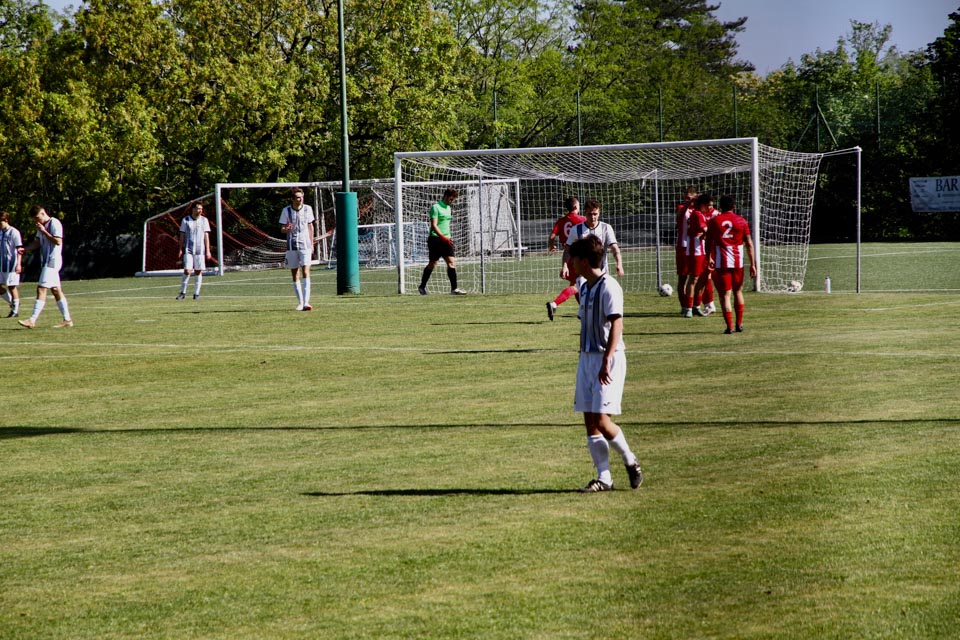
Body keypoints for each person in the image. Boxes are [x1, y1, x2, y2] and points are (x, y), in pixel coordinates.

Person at [568, 234, 642, 492]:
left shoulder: (609, 286)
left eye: (574, 259)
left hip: (607, 358)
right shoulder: (584, 287)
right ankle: (604, 478)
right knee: (590, 421)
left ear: (584, 261)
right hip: (587, 359)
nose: (571, 263)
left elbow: (617, 326)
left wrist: (606, 360)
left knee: (601, 420)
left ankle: (630, 460)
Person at [706, 194, 757, 334]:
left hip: (721, 263)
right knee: (738, 291)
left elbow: (708, 242)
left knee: (725, 295)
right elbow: (749, 243)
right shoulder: (741, 221)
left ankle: (729, 327)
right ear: (734, 206)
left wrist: (708, 257)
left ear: (720, 206)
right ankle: (739, 324)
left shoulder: (714, 221)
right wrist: (752, 264)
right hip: (737, 262)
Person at [17, 205, 73, 329]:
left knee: (41, 289)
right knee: (56, 290)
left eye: (37, 217)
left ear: (43, 213)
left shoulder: (54, 223)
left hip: (52, 261)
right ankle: (67, 320)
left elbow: (58, 241)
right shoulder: (41, 226)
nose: (36, 221)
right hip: (47, 261)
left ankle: (32, 320)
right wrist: (25, 249)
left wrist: (44, 231)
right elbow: (37, 243)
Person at [561, 199, 624, 288]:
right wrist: (564, 266)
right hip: (583, 277)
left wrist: (619, 263)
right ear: (585, 213)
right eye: (589, 214)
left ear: (599, 213)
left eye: (595, 214)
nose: (592, 217)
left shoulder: (606, 228)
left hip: (602, 273)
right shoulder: (576, 229)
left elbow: (614, 248)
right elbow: (567, 249)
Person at [418, 188, 466, 295]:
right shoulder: (435, 207)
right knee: (432, 264)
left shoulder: (449, 208)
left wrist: (447, 238)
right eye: (451, 199)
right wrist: (442, 237)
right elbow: (434, 226)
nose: (452, 201)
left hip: (447, 239)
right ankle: (422, 287)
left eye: (453, 199)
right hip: (435, 239)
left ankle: (454, 289)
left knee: (451, 263)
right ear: (446, 196)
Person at [545, 196, 586, 320]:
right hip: (580, 256)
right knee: (578, 285)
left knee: (575, 284)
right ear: (576, 206)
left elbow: (552, 237)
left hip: (567, 257)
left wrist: (551, 246)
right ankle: (554, 304)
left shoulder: (561, 221)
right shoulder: (582, 220)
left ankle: (583, 311)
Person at [279, 187, 316, 311]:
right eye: (297, 197)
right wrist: (286, 229)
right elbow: (282, 229)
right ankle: (300, 303)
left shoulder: (308, 209)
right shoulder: (286, 211)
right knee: (295, 273)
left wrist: (312, 243)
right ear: (292, 199)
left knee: (306, 270)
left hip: (305, 245)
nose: (300, 199)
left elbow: (310, 226)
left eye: (301, 197)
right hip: (292, 245)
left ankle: (306, 302)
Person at [176, 202, 212, 300]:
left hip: (200, 250)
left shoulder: (204, 220)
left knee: (198, 271)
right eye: (198, 208)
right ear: (193, 209)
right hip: (188, 250)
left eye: (201, 209)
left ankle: (196, 294)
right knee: (187, 270)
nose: (199, 210)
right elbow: (182, 236)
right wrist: (180, 249)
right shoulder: (186, 220)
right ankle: (183, 293)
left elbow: (206, 236)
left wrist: (208, 250)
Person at [692, 193, 719, 317]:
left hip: (715, 249)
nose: (710, 207)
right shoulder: (699, 214)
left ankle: (704, 305)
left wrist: (705, 235)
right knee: (705, 276)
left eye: (711, 205)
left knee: (707, 277)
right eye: (708, 205)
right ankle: (708, 304)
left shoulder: (715, 214)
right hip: (706, 248)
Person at [675, 185, 698, 315]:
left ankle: (695, 305)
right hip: (683, 246)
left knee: (697, 277)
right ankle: (684, 306)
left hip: (696, 247)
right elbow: (679, 215)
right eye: (686, 198)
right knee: (682, 278)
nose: (687, 200)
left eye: (690, 198)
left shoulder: (699, 210)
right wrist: (688, 204)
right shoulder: (681, 208)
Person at [0, 212, 23, 318]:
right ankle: (13, 302)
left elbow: (19, 249)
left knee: (11, 286)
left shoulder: (14, 232)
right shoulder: (0, 233)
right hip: (1, 265)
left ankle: (15, 310)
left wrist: (19, 264)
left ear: (6, 220)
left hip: (11, 264)